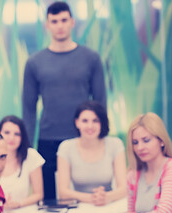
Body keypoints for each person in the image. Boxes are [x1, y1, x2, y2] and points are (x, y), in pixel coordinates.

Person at [22, 1, 106, 201]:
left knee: (85, 197)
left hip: (83, 138)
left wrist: (100, 136)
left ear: (72, 22)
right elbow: (29, 108)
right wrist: (26, 145)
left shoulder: (91, 58)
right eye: (54, 21)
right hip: (48, 140)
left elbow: (100, 102)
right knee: (49, 199)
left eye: (63, 20)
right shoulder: (34, 62)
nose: (59, 25)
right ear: (47, 25)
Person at [113, 112, 172, 213]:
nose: (140, 147)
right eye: (135, 142)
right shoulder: (133, 174)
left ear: (161, 141)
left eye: (146, 140)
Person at [57, 100, 126, 213]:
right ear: (77, 123)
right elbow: (63, 192)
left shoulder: (115, 144)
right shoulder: (66, 147)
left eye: (95, 120)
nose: (90, 126)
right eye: (85, 120)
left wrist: (106, 197)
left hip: (108, 211)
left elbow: (124, 187)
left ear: (102, 123)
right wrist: (91, 199)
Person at [0, 115, 45, 210]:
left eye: (17, 134)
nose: (11, 138)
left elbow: (39, 194)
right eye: (7, 132)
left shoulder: (31, 155)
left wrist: (18, 204)